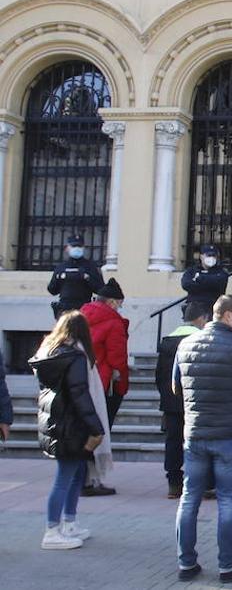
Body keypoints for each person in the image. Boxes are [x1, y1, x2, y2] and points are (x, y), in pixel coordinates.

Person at [171, 295, 232, 583]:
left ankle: (186, 563)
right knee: (227, 500)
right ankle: (227, 565)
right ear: (228, 316)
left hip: (196, 432)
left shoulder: (185, 343)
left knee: (189, 498)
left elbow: (176, 387)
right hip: (228, 433)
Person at [29, 311, 106, 550]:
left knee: (75, 473)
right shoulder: (75, 358)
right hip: (72, 425)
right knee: (65, 477)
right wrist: (96, 428)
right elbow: (80, 394)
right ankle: (52, 530)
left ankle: (69, 523)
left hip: (56, 422)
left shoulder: (48, 353)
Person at [157, 301, 210, 499]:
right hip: (196, 401)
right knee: (198, 442)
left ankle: (174, 482)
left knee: (173, 441)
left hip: (171, 402)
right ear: (201, 319)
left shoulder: (167, 342)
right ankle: (200, 483)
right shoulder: (201, 340)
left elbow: (159, 375)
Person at [80, 278, 128, 430]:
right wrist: (122, 383)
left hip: (80, 378)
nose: (119, 307)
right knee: (102, 426)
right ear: (112, 302)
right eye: (120, 304)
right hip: (104, 382)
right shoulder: (114, 323)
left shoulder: (80, 316)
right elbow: (117, 358)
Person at [46, 234, 104, 318]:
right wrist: (59, 278)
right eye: (73, 246)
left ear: (83, 248)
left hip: (84, 309)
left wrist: (87, 278)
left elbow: (101, 289)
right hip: (65, 309)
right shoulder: (61, 267)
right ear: (67, 248)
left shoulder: (90, 267)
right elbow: (52, 290)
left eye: (79, 246)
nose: (76, 248)